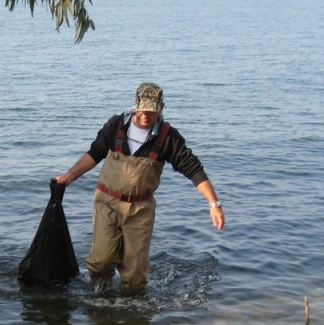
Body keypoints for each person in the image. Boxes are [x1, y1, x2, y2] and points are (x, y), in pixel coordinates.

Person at [55, 82, 224, 293]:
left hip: (140, 209)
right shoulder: (115, 126)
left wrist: (213, 203)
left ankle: (132, 312)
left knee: (135, 276)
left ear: (161, 107)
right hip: (106, 202)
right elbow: (94, 153)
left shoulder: (168, 137)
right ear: (135, 104)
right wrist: (69, 176)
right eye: (143, 109)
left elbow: (193, 169)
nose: (146, 115)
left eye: (152, 111)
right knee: (100, 262)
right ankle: (101, 295)